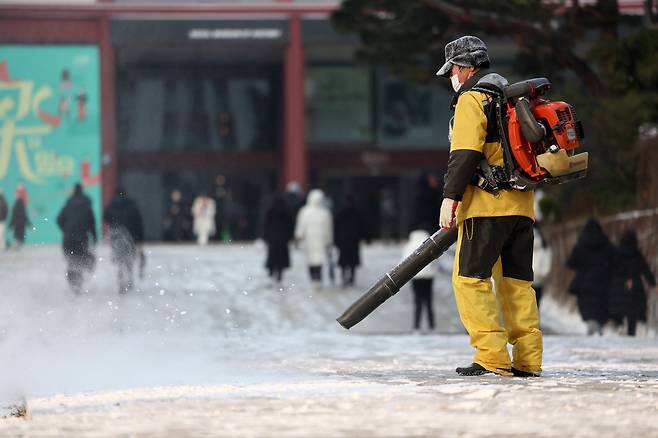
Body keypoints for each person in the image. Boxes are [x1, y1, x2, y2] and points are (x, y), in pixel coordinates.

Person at [437, 35, 542, 377]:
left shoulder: (473, 99)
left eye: (452, 69)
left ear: (465, 68)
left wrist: (450, 197)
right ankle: (528, 359)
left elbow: (465, 153)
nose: (451, 76)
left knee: (470, 280)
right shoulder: (511, 98)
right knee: (517, 283)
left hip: (486, 206)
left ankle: (491, 356)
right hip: (522, 206)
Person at [566, 218, 616, 335]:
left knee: (589, 310)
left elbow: (570, 263)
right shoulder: (606, 244)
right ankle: (597, 330)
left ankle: (593, 331)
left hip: (585, 284)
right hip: (603, 282)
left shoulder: (581, 244)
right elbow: (616, 260)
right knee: (600, 309)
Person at [609, 230, 656, 336]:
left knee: (618, 309)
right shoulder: (637, 255)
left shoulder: (616, 253)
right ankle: (631, 333)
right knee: (632, 312)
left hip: (619, 286)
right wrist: (653, 283)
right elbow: (646, 269)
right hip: (635, 287)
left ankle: (618, 328)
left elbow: (611, 269)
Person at [57, 183, 97, 293]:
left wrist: (66, 230)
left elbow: (59, 220)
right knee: (79, 260)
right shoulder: (87, 207)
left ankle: (73, 283)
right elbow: (92, 224)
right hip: (81, 239)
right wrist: (94, 237)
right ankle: (78, 283)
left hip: (68, 240)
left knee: (71, 261)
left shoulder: (67, 206)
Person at [103, 187, 144, 294]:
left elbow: (105, 217)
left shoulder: (111, 205)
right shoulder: (131, 205)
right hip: (130, 235)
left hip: (116, 235)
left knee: (120, 258)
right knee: (128, 258)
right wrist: (140, 238)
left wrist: (114, 223)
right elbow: (138, 222)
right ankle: (129, 277)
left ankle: (121, 276)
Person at [294, 189, 333, 290]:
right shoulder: (325, 212)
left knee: (311, 261)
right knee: (319, 261)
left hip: (309, 242)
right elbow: (328, 229)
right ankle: (317, 279)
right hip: (320, 241)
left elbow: (301, 226)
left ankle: (313, 279)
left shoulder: (304, 211)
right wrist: (329, 241)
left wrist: (298, 237)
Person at [402, 226, 436, 333]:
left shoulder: (409, 245)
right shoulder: (429, 243)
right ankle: (431, 325)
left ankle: (416, 325)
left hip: (416, 277)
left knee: (417, 301)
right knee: (429, 301)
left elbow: (404, 261)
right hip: (428, 277)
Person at [334, 194, 368, 287]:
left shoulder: (340, 213)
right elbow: (362, 227)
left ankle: (344, 278)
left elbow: (336, 228)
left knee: (344, 261)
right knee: (352, 261)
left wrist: (336, 240)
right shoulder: (356, 212)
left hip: (344, 241)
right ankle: (351, 279)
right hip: (353, 240)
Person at [263, 193, 294, 283]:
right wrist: (288, 237)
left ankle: (271, 271)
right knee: (281, 257)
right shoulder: (286, 211)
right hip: (282, 239)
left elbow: (265, 225)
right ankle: (279, 273)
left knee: (272, 256)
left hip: (273, 238)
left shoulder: (270, 211)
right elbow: (290, 226)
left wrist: (266, 236)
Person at [532, 223, 552, 307]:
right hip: (538, 281)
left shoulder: (523, 237)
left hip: (525, 279)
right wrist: (542, 273)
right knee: (536, 307)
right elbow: (547, 261)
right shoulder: (544, 244)